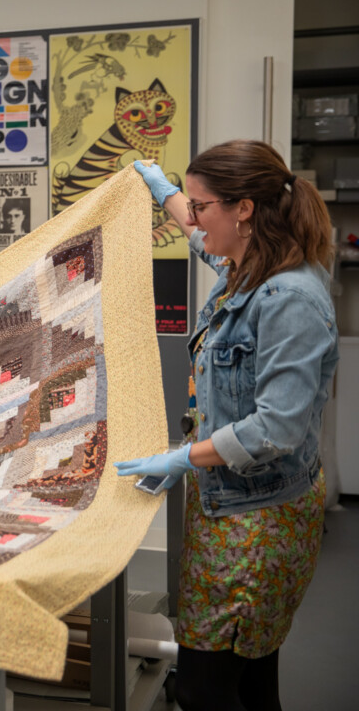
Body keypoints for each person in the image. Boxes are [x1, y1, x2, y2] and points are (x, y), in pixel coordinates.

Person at [115, 142, 338, 711]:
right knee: (251, 678)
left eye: (200, 205)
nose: (191, 219)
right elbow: (197, 239)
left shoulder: (290, 297)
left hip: (260, 522)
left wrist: (182, 458)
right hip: (230, 506)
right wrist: (160, 189)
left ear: (242, 209)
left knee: (203, 688)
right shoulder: (248, 265)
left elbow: (275, 430)